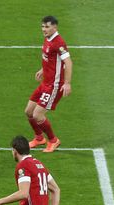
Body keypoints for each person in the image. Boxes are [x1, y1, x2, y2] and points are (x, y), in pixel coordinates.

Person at [25, 15, 73, 153]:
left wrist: (67, 83)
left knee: (38, 115)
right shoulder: (48, 39)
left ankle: (53, 140)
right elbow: (51, 59)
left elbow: (68, 63)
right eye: (42, 26)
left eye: (47, 27)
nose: (44, 29)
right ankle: (39, 138)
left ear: (55, 27)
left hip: (54, 85)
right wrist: (43, 69)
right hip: (45, 83)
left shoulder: (59, 43)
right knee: (28, 111)